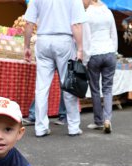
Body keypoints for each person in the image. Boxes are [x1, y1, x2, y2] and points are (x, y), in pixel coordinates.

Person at [24, 0, 86, 137]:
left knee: (41, 87)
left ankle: (40, 127)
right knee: (68, 83)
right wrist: (80, 49)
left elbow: (29, 23)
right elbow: (76, 25)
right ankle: (73, 127)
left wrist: (26, 46)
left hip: (43, 40)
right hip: (64, 40)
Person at [84, 0, 117, 134]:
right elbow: (113, 34)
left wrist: (85, 59)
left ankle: (98, 121)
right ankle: (107, 119)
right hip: (109, 52)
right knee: (108, 89)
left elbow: (86, 38)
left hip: (94, 53)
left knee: (95, 89)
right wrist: (113, 51)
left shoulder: (87, 14)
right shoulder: (108, 12)